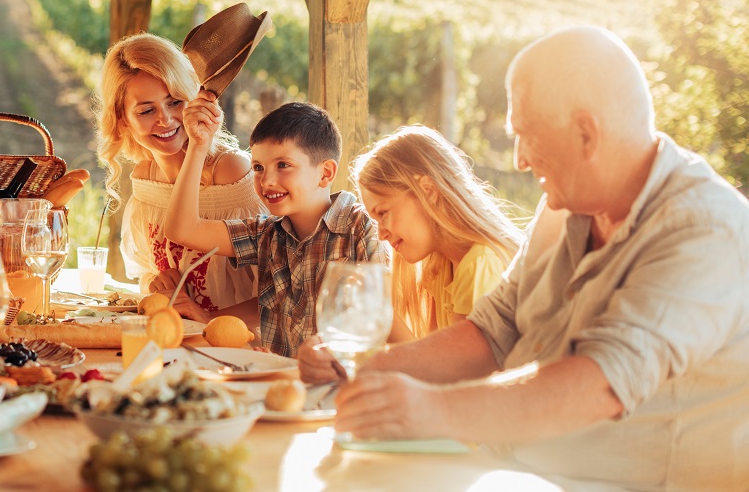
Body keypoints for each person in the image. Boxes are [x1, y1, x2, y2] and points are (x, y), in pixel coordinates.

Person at [303, 26, 749, 489]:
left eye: (526, 135)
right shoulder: (565, 207)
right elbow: (492, 331)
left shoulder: (702, 230)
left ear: (586, 134)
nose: (517, 159)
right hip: (517, 472)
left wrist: (431, 410)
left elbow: (602, 382)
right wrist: (361, 367)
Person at [165, 99, 388, 356]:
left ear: (325, 173)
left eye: (283, 165)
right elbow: (183, 229)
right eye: (258, 167)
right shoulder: (266, 234)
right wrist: (198, 146)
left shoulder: (363, 229)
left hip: (340, 388)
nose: (267, 181)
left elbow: (377, 330)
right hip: (277, 381)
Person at [96, 31, 264, 320]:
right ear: (123, 119)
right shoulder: (146, 180)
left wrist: (208, 318)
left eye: (175, 102)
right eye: (147, 110)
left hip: (238, 343)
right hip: (178, 338)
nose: (166, 119)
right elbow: (147, 270)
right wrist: (154, 282)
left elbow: (282, 289)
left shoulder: (231, 173)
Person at [352, 125, 522, 342]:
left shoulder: (480, 263)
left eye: (383, 213)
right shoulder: (440, 265)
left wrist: (381, 313)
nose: (381, 235)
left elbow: (457, 371)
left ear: (428, 191)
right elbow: (430, 358)